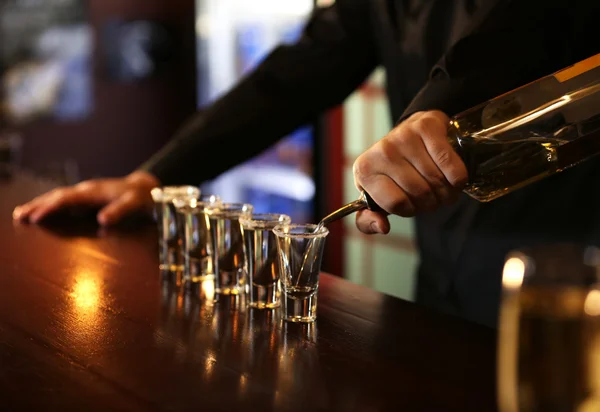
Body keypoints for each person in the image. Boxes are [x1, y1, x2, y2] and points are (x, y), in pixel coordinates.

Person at [13, 0, 600, 327]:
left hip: (570, 261)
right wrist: (156, 175)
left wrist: (435, 116)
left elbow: (518, 27)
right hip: (443, 265)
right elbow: (295, 75)